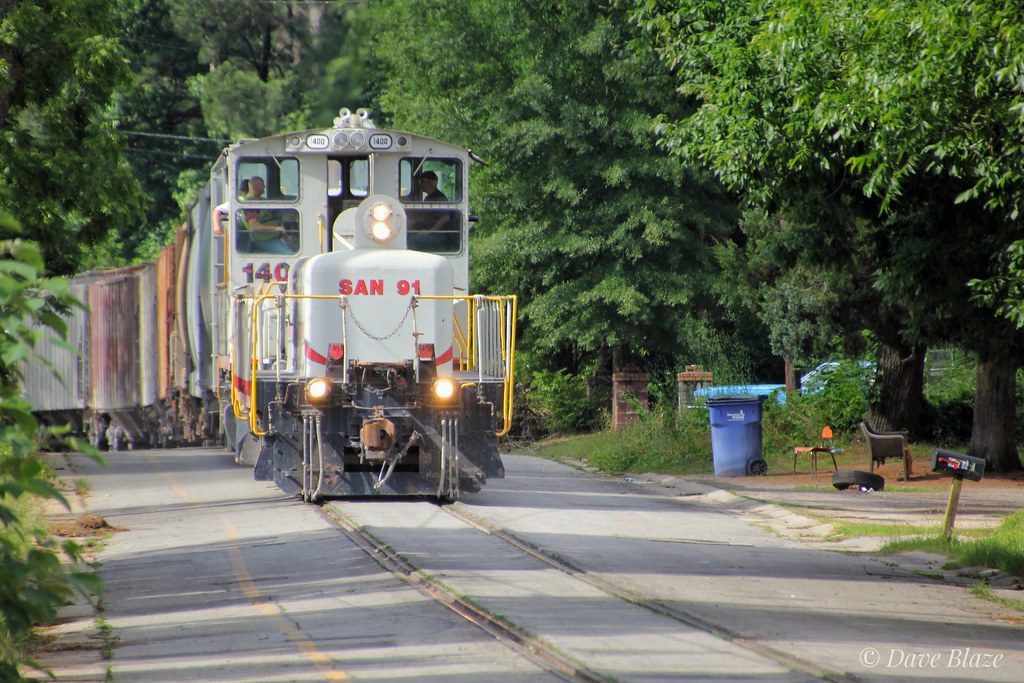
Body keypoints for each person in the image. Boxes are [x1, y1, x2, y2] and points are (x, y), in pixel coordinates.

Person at [238, 176, 294, 254]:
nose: (264, 187)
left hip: (275, 236)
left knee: (295, 247)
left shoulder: (261, 200)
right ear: (257, 186)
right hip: (263, 239)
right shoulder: (250, 203)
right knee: (290, 254)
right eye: (263, 185)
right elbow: (254, 226)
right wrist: (276, 228)